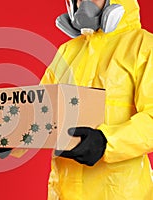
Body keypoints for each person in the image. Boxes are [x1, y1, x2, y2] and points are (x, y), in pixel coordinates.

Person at [40, 0, 153, 199]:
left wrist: (106, 141)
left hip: (121, 192)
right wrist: (13, 137)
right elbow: (41, 113)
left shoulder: (143, 46)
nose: (83, 2)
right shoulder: (67, 52)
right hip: (63, 191)